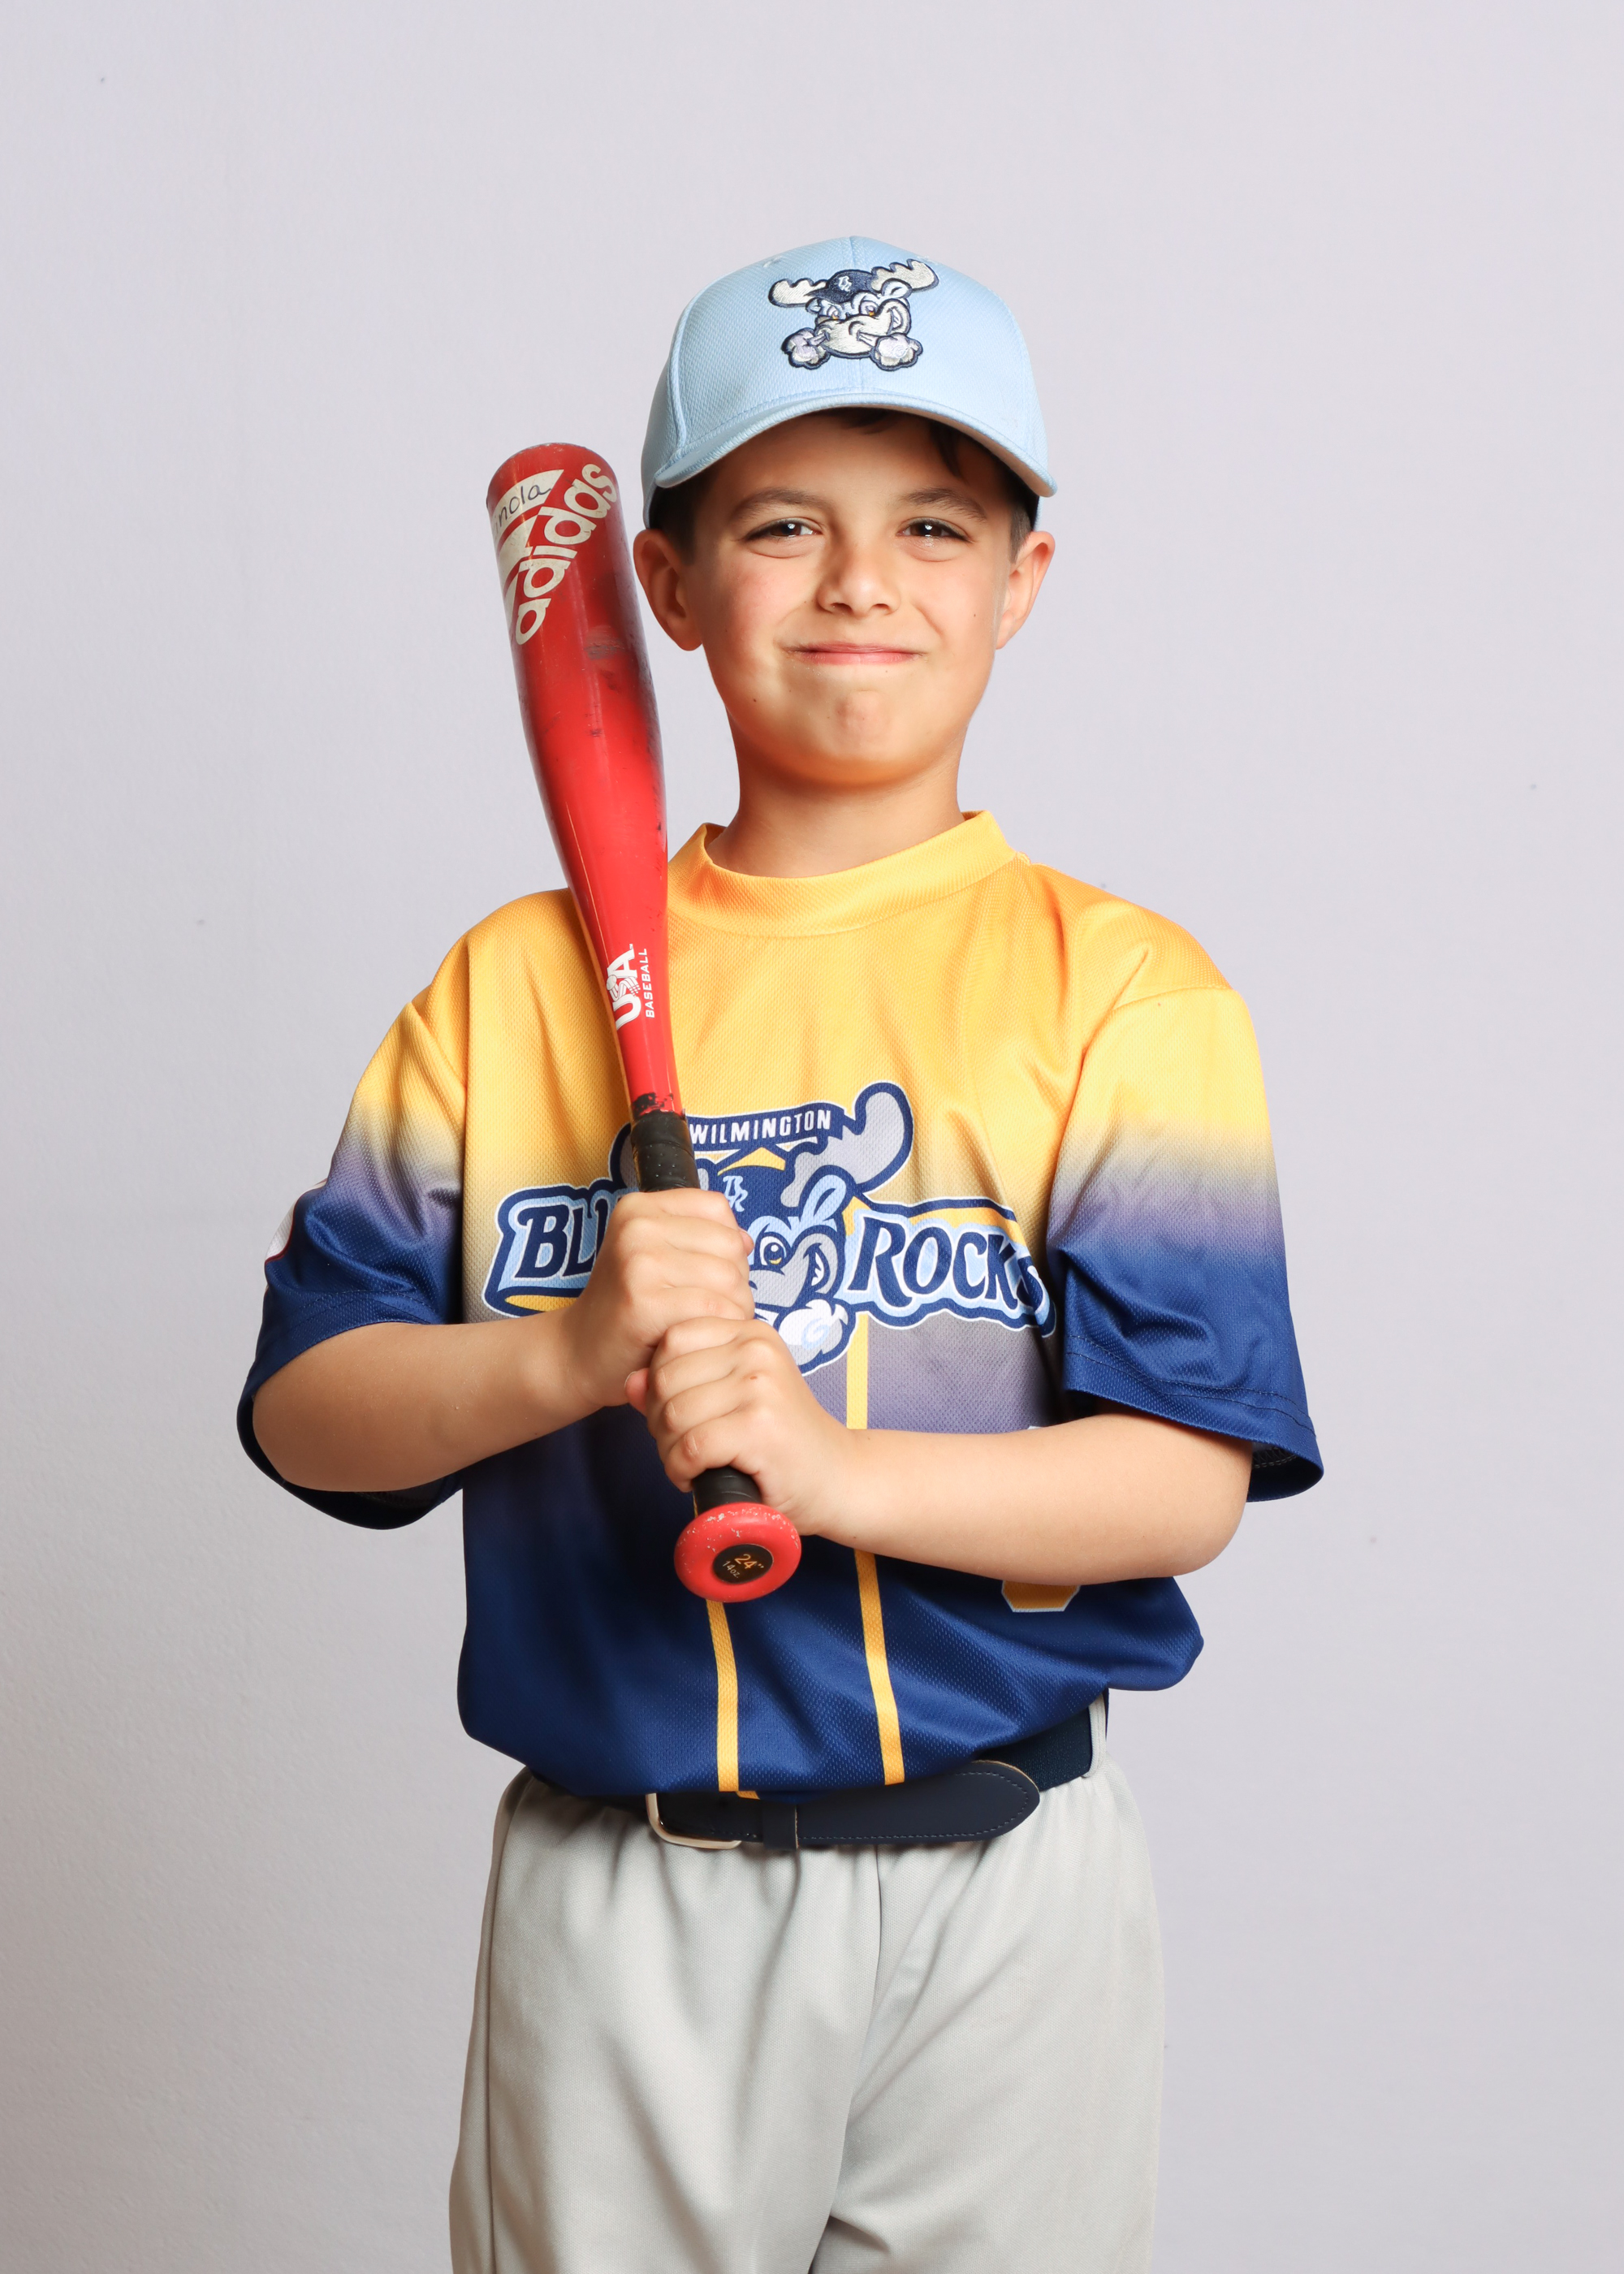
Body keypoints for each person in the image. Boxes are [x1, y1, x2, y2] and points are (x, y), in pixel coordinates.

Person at [240, 236, 1322, 2273]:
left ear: (1022, 579)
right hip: (630, 1881)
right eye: (779, 522)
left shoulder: (1121, 989)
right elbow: (310, 1413)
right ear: (663, 586)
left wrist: (830, 1471)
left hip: (1012, 1872)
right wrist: (558, 1356)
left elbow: (1179, 1483)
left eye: (933, 522)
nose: (858, 580)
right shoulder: (515, 986)